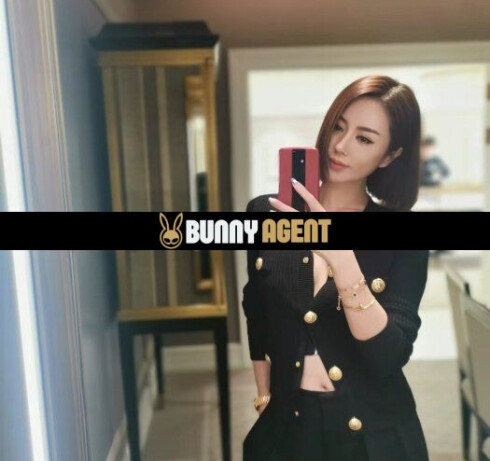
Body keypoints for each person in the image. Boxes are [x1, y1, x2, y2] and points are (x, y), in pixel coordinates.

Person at [242, 75, 430, 460]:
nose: (340, 146)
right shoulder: (266, 213)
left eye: (364, 139)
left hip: (375, 435)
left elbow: (389, 354)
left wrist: (343, 259)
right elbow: (256, 312)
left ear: (390, 155)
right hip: (287, 429)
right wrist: (264, 396)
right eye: (338, 127)